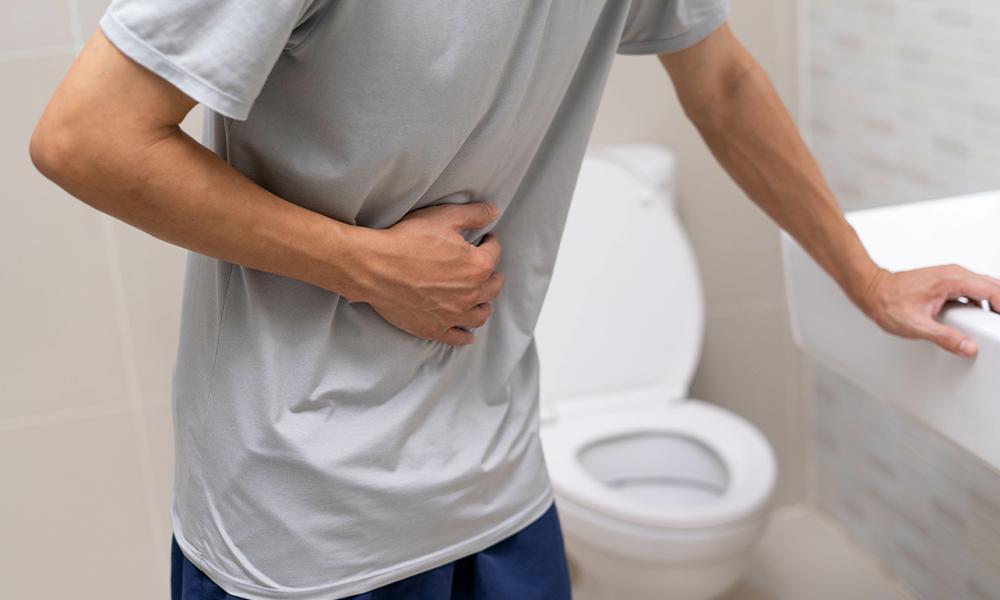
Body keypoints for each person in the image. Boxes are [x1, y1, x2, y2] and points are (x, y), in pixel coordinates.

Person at [29, 1, 1000, 599]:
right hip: (307, 507)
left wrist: (864, 276)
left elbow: (724, 82)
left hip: (496, 474)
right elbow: (87, 138)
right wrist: (362, 264)